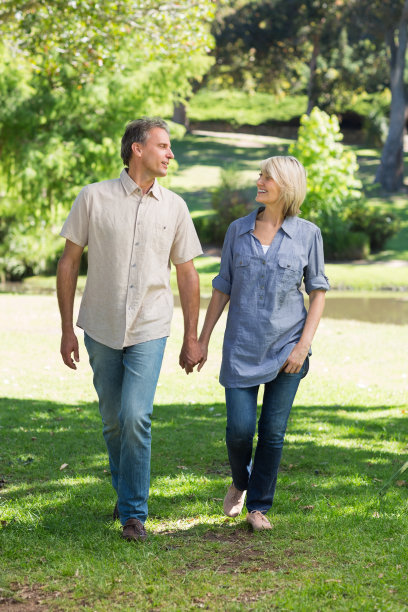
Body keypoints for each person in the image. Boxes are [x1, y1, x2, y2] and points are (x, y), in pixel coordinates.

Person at [57, 117, 203, 541]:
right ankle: (125, 496)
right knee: (113, 421)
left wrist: (191, 336)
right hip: (100, 326)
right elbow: (68, 263)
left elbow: (188, 273)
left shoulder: (174, 206)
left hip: (151, 325)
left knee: (136, 415)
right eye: (162, 146)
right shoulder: (93, 198)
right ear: (137, 149)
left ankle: (134, 514)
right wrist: (67, 329)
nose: (170, 154)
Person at [197, 156, 330, 531]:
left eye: (266, 177)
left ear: (286, 186)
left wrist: (302, 346)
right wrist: (202, 339)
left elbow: (317, 292)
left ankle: (258, 506)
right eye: (260, 175)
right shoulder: (237, 231)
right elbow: (222, 287)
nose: (259, 181)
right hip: (241, 348)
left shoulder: (308, 234)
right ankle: (241, 479)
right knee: (239, 430)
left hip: (288, 349)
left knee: (272, 432)